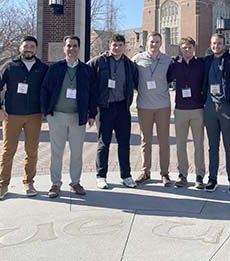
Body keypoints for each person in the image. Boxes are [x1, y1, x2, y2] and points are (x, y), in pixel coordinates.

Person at [0, 36, 48, 200]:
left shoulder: (42, 68)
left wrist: (48, 110)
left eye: (32, 46)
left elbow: (49, 89)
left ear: (36, 49)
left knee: (32, 151)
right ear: (20, 48)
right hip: (12, 115)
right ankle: (2, 184)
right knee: (8, 151)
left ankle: (28, 182)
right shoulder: (10, 66)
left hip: (34, 116)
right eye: (26, 46)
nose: (29, 49)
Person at [41, 35, 96, 198]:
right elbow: (45, 90)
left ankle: (75, 182)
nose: (71, 49)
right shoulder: (55, 68)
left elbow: (93, 93)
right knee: (56, 152)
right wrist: (47, 112)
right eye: (69, 46)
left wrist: (92, 114)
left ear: (79, 48)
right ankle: (55, 184)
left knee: (77, 152)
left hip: (77, 117)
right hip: (57, 115)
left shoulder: (86, 70)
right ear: (64, 48)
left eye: (74, 46)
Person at [88, 33, 138, 189]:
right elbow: (85, 74)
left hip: (122, 108)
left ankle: (126, 175)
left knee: (124, 143)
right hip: (105, 108)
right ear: (109, 45)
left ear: (125, 46)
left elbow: (136, 83)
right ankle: (101, 175)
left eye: (120, 45)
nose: (117, 48)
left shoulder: (129, 64)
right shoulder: (99, 61)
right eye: (114, 45)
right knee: (104, 143)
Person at [133, 32, 172, 186]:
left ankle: (165, 173)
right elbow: (131, 77)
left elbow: (171, 78)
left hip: (163, 106)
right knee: (145, 141)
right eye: (151, 42)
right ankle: (145, 171)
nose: (154, 44)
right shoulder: (137, 59)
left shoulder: (167, 60)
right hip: (144, 106)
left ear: (160, 43)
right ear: (147, 42)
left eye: (157, 42)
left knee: (164, 141)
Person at [202, 33, 230, 194]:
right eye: (214, 43)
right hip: (210, 106)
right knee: (212, 146)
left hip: (226, 107)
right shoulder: (207, 61)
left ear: (224, 45)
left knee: (229, 145)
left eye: (219, 43)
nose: (216, 46)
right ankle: (213, 179)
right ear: (210, 45)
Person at [167, 37, 205, 189]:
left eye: (189, 47)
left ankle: (200, 175)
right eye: (184, 47)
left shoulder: (201, 64)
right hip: (181, 109)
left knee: (199, 145)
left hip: (197, 109)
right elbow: (165, 80)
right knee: (181, 144)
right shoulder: (175, 65)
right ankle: (182, 174)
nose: (187, 50)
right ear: (180, 49)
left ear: (194, 48)